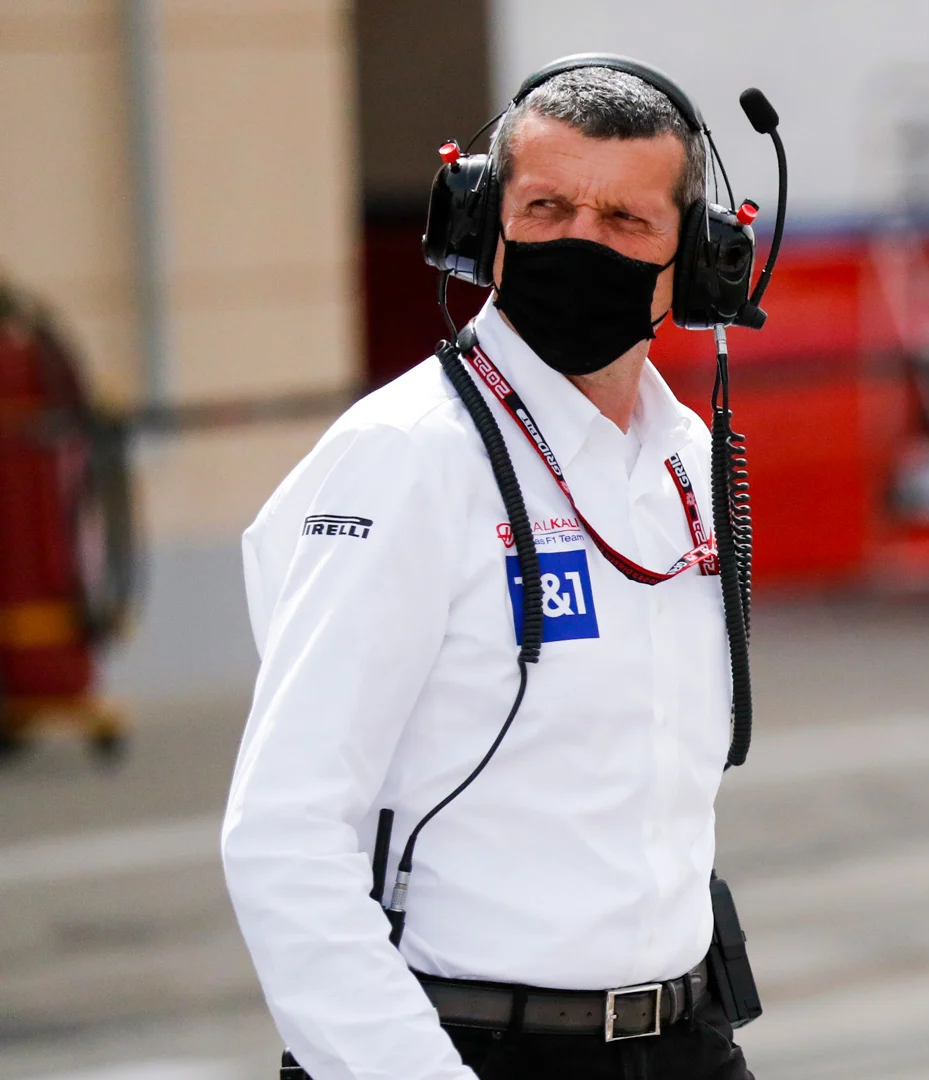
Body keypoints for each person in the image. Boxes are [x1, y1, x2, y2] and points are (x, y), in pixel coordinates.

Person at [222, 62, 752, 1080]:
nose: (579, 243)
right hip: (466, 1051)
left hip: (684, 1042)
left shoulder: (688, 460)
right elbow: (285, 839)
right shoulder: (404, 457)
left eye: (625, 221)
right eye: (546, 208)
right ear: (482, 226)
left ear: (699, 261)